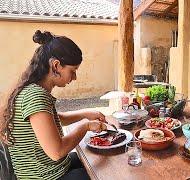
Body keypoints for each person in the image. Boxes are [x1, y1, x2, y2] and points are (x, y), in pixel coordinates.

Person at [0, 30, 109, 180]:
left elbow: (55, 119)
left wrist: (87, 114)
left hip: (53, 168)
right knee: (103, 174)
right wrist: (85, 126)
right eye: (73, 70)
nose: (75, 77)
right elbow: (56, 151)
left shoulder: (33, 90)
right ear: (56, 65)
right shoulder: (34, 95)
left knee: (95, 158)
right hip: (44, 176)